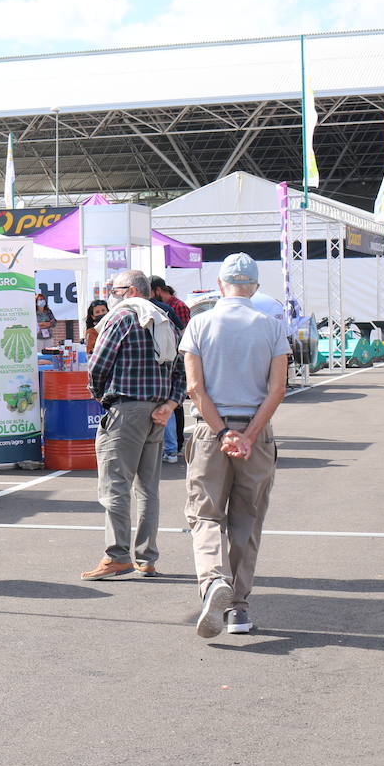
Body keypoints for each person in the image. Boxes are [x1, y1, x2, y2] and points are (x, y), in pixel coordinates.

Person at [180, 254, 289, 638]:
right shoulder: (271, 327)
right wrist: (248, 434)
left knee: (205, 515)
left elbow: (195, 388)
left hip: (211, 432)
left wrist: (223, 431)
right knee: (247, 518)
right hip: (256, 436)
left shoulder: (199, 324)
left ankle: (213, 582)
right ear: (254, 287)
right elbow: (278, 389)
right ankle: (238, 610)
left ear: (220, 285)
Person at [81, 270, 186, 581]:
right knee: (148, 489)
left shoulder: (122, 317)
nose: (112, 295)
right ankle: (146, 557)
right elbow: (182, 369)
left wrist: (100, 396)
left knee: (115, 486)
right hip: (158, 411)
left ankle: (117, 555)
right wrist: (170, 404)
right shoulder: (165, 319)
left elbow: (98, 363)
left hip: (126, 408)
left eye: (115, 290)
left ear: (129, 291)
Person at [151, 277, 190, 464]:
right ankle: (172, 449)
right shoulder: (167, 308)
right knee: (169, 407)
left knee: (167, 408)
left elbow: (184, 331)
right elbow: (181, 332)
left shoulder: (172, 307)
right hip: (170, 361)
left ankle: (171, 448)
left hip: (163, 363)